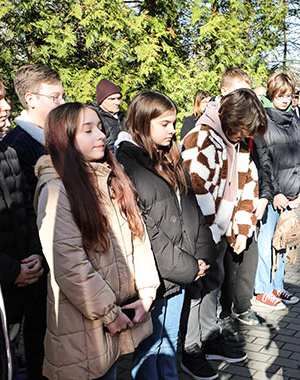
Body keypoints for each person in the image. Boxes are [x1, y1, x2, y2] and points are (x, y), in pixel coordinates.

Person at [34, 102, 160, 379]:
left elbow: (138, 238)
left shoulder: (109, 179)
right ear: (63, 138)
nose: (101, 135)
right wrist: (110, 313)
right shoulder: (57, 189)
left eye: (100, 128)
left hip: (119, 314)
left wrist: (147, 293)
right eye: (87, 130)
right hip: (84, 325)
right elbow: (69, 263)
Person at [115, 90, 210, 380]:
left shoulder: (171, 158)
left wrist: (203, 255)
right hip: (155, 278)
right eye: (164, 124)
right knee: (149, 352)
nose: (172, 130)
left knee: (168, 352)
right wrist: (188, 267)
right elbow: (145, 231)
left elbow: (192, 210)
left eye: (173, 123)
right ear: (143, 123)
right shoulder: (126, 165)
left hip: (181, 275)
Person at [182, 88, 265, 378]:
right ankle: (190, 348)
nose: (244, 137)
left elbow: (247, 186)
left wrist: (241, 229)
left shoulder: (239, 144)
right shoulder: (201, 139)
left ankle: (209, 336)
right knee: (196, 288)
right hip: (199, 232)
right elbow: (194, 189)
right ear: (231, 119)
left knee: (213, 285)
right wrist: (209, 233)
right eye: (242, 130)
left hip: (220, 230)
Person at [0, 69, 44, 380]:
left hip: (22, 284)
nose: (6, 106)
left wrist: (36, 256)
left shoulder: (8, 153)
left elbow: (28, 211)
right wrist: (9, 271)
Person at [254, 71, 300, 309]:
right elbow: (263, 160)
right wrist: (275, 193)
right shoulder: (263, 122)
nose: (285, 100)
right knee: (267, 242)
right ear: (271, 94)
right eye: (280, 95)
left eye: (289, 95)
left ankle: (278, 287)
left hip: (291, 194)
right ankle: (263, 290)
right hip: (271, 195)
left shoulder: (294, 120)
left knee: (284, 240)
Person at [4, 64, 66, 198]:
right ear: (31, 100)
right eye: (54, 97)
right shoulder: (15, 147)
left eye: (63, 96)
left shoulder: (65, 138)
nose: (63, 103)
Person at [94, 79, 124, 152]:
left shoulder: (124, 118)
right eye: (112, 99)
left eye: (118, 98)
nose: (117, 102)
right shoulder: (96, 120)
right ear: (101, 101)